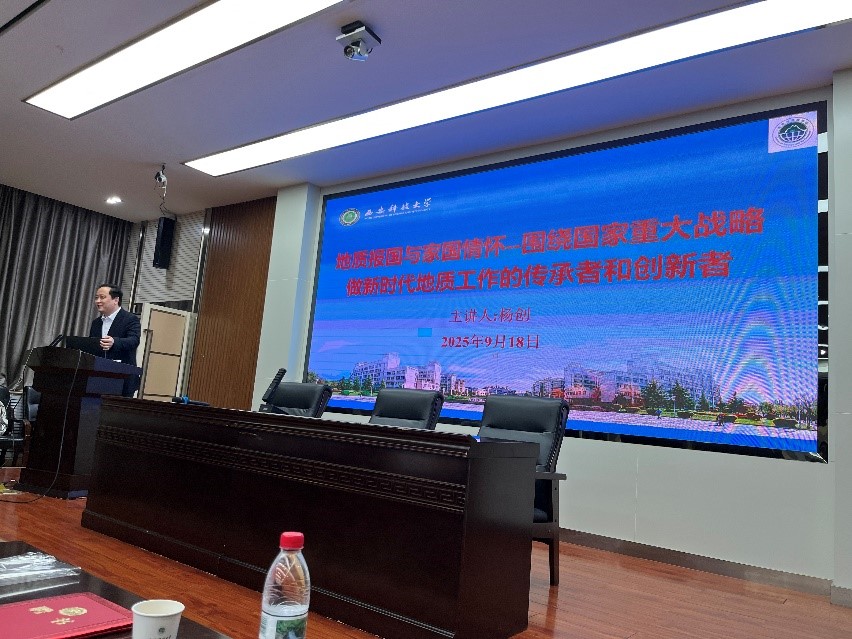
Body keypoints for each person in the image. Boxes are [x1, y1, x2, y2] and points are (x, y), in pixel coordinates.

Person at [89, 284, 141, 397]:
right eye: (96, 297)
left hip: (122, 377)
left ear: (116, 300)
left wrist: (114, 342)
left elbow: (134, 341)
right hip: (98, 376)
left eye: (102, 297)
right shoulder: (96, 323)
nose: (98, 301)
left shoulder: (130, 319)